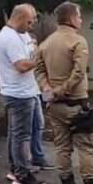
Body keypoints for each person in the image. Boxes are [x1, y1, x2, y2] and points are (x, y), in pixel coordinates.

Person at [35, 1, 93, 184]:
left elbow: (38, 70)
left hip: (55, 106)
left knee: (62, 147)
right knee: (85, 147)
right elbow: (78, 72)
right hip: (76, 103)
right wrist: (62, 90)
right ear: (71, 18)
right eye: (80, 16)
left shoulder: (46, 43)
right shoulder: (78, 42)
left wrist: (47, 89)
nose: (81, 19)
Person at [0, 4, 45, 184]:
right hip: (18, 93)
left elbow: (31, 49)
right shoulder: (9, 38)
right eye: (30, 21)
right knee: (22, 135)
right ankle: (22, 174)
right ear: (21, 18)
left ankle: (17, 167)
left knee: (25, 130)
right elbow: (22, 65)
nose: (32, 25)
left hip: (27, 90)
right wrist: (40, 58)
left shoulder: (21, 35)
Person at [22, 22, 56, 172]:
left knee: (38, 124)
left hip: (35, 90)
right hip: (25, 92)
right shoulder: (27, 55)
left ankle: (37, 157)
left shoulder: (35, 56)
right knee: (25, 129)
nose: (34, 45)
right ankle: (24, 161)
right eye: (32, 43)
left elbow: (40, 72)